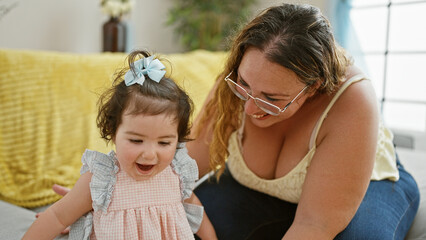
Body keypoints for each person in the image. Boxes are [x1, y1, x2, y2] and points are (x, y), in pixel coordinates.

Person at [187, 3, 420, 240]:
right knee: (186, 224)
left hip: (372, 183)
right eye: (244, 86)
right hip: (261, 195)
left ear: (313, 87)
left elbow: (315, 226)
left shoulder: (353, 99)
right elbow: (186, 166)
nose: (248, 107)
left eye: (271, 98)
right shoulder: (238, 79)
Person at [23, 50, 217, 240]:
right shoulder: (103, 180)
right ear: (113, 132)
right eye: (136, 140)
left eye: (164, 142)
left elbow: (194, 209)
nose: (150, 154)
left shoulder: (176, 173)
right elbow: (57, 217)